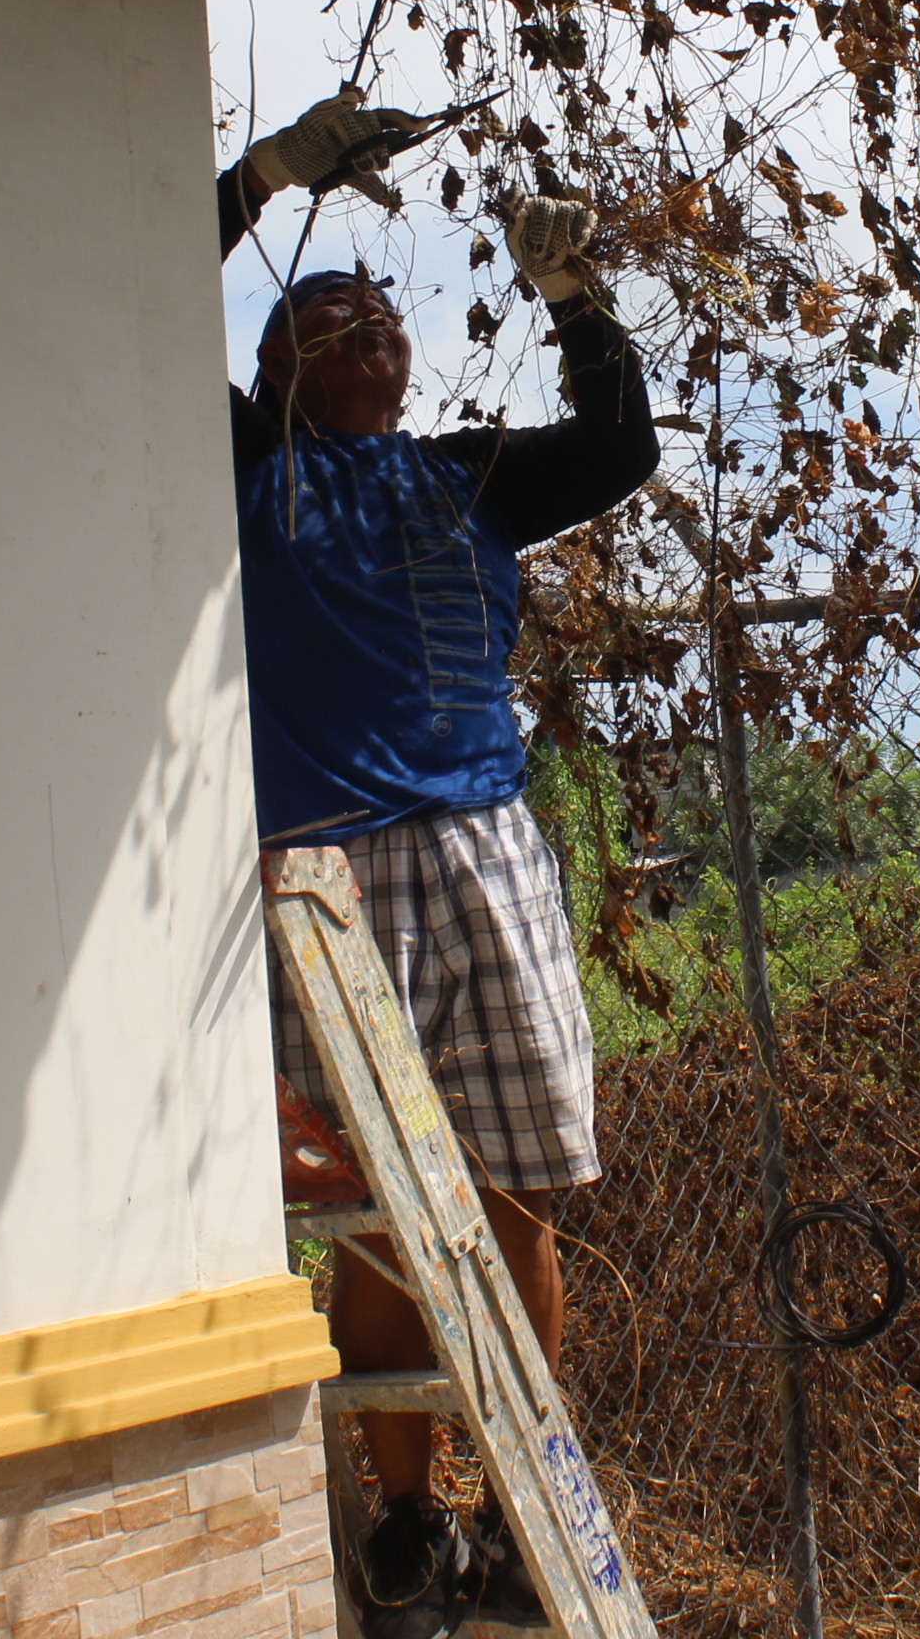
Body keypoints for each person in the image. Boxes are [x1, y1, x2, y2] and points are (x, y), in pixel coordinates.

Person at [221, 89, 660, 1639]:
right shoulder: (247, 469)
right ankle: (408, 1532)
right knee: (378, 1214)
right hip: (334, 877)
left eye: (383, 317)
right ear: (275, 368)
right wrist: (270, 177)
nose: (366, 330)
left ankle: (524, 1515)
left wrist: (574, 296)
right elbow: (129, 290)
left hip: (490, 856)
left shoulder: (467, 477)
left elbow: (619, 445)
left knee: (516, 1196)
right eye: (327, 316)